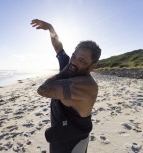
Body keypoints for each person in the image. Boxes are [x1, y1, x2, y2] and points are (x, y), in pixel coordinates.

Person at [31, 19, 101, 153]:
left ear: (92, 66)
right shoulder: (72, 66)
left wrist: (64, 71)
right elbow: (59, 48)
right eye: (74, 56)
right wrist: (50, 28)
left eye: (81, 60)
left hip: (74, 143)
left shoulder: (86, 85)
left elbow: (43, 90)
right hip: (61, 134)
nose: (73, 61)